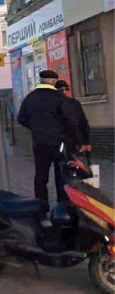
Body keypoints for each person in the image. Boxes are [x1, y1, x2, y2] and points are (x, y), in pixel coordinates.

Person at [17, 69, 81, 212]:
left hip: (39, 142)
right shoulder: (60, 98)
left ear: (41, 81)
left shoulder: (30, 98)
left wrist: (35, 128)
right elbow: (71, 121)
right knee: (61, 173)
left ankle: (41, 204)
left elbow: (21, 118)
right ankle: (62, 205)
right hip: (59, 142)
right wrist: (75, 139)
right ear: (53, 81)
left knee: (40, 175)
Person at [55, 80, 92, 152]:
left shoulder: (74, 103)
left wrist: (87, 142)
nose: (64, 92)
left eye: (66, 89)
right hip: (61, 140)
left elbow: (83, 122)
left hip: (75, 140)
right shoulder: (55, 104)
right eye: (61, 90)